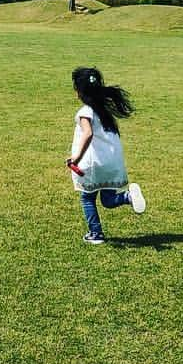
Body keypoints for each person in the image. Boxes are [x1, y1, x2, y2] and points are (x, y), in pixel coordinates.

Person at [65, 66, 145, 244]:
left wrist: (75, 159)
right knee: (108, 200)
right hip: (112, 162)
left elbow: (88, 134)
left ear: (80, 92)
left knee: (87, 198)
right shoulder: (104, 111)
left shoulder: (85, 112)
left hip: (94, 164)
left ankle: (96, 234)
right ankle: (128, 197)